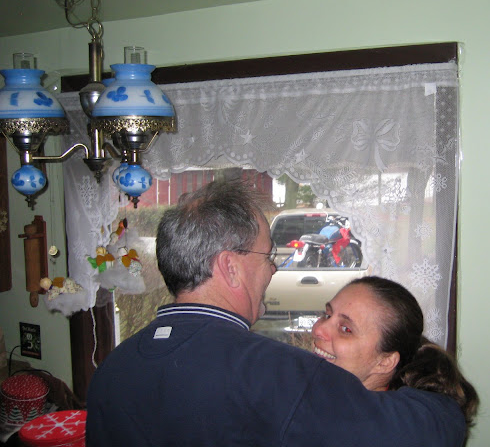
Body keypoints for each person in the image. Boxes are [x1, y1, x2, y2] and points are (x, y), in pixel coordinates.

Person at [86, 181, 467, 447]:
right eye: (267, 255)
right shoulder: (273, 374)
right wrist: (435, 375)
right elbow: (432, 431)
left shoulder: (113, 370)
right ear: (230, 267)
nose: (272, 269)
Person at [312, 276, 478, 436]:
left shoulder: (382, 430)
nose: (318, 329)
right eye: (327, 315)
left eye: (346, 329)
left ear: (384, 362)